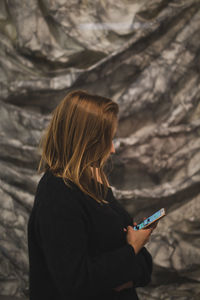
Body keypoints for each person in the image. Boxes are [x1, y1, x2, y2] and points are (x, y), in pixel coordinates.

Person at [27, 89, 155, 300]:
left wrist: (132, 255)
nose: (112, 149)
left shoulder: (93, 185)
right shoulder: (57, 195)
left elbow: (145, 266)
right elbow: (76, 283)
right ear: (86, 141)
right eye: (108, 140)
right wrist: (132, 248)